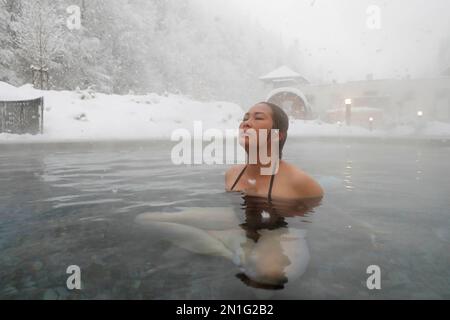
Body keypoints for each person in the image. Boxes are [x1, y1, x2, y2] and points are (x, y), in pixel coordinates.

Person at [225, 102, 324, 201]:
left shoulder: (300, 183)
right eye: (245, 118)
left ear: (277, 135)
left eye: (258, 118)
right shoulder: (232, 175)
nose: (246, 123)